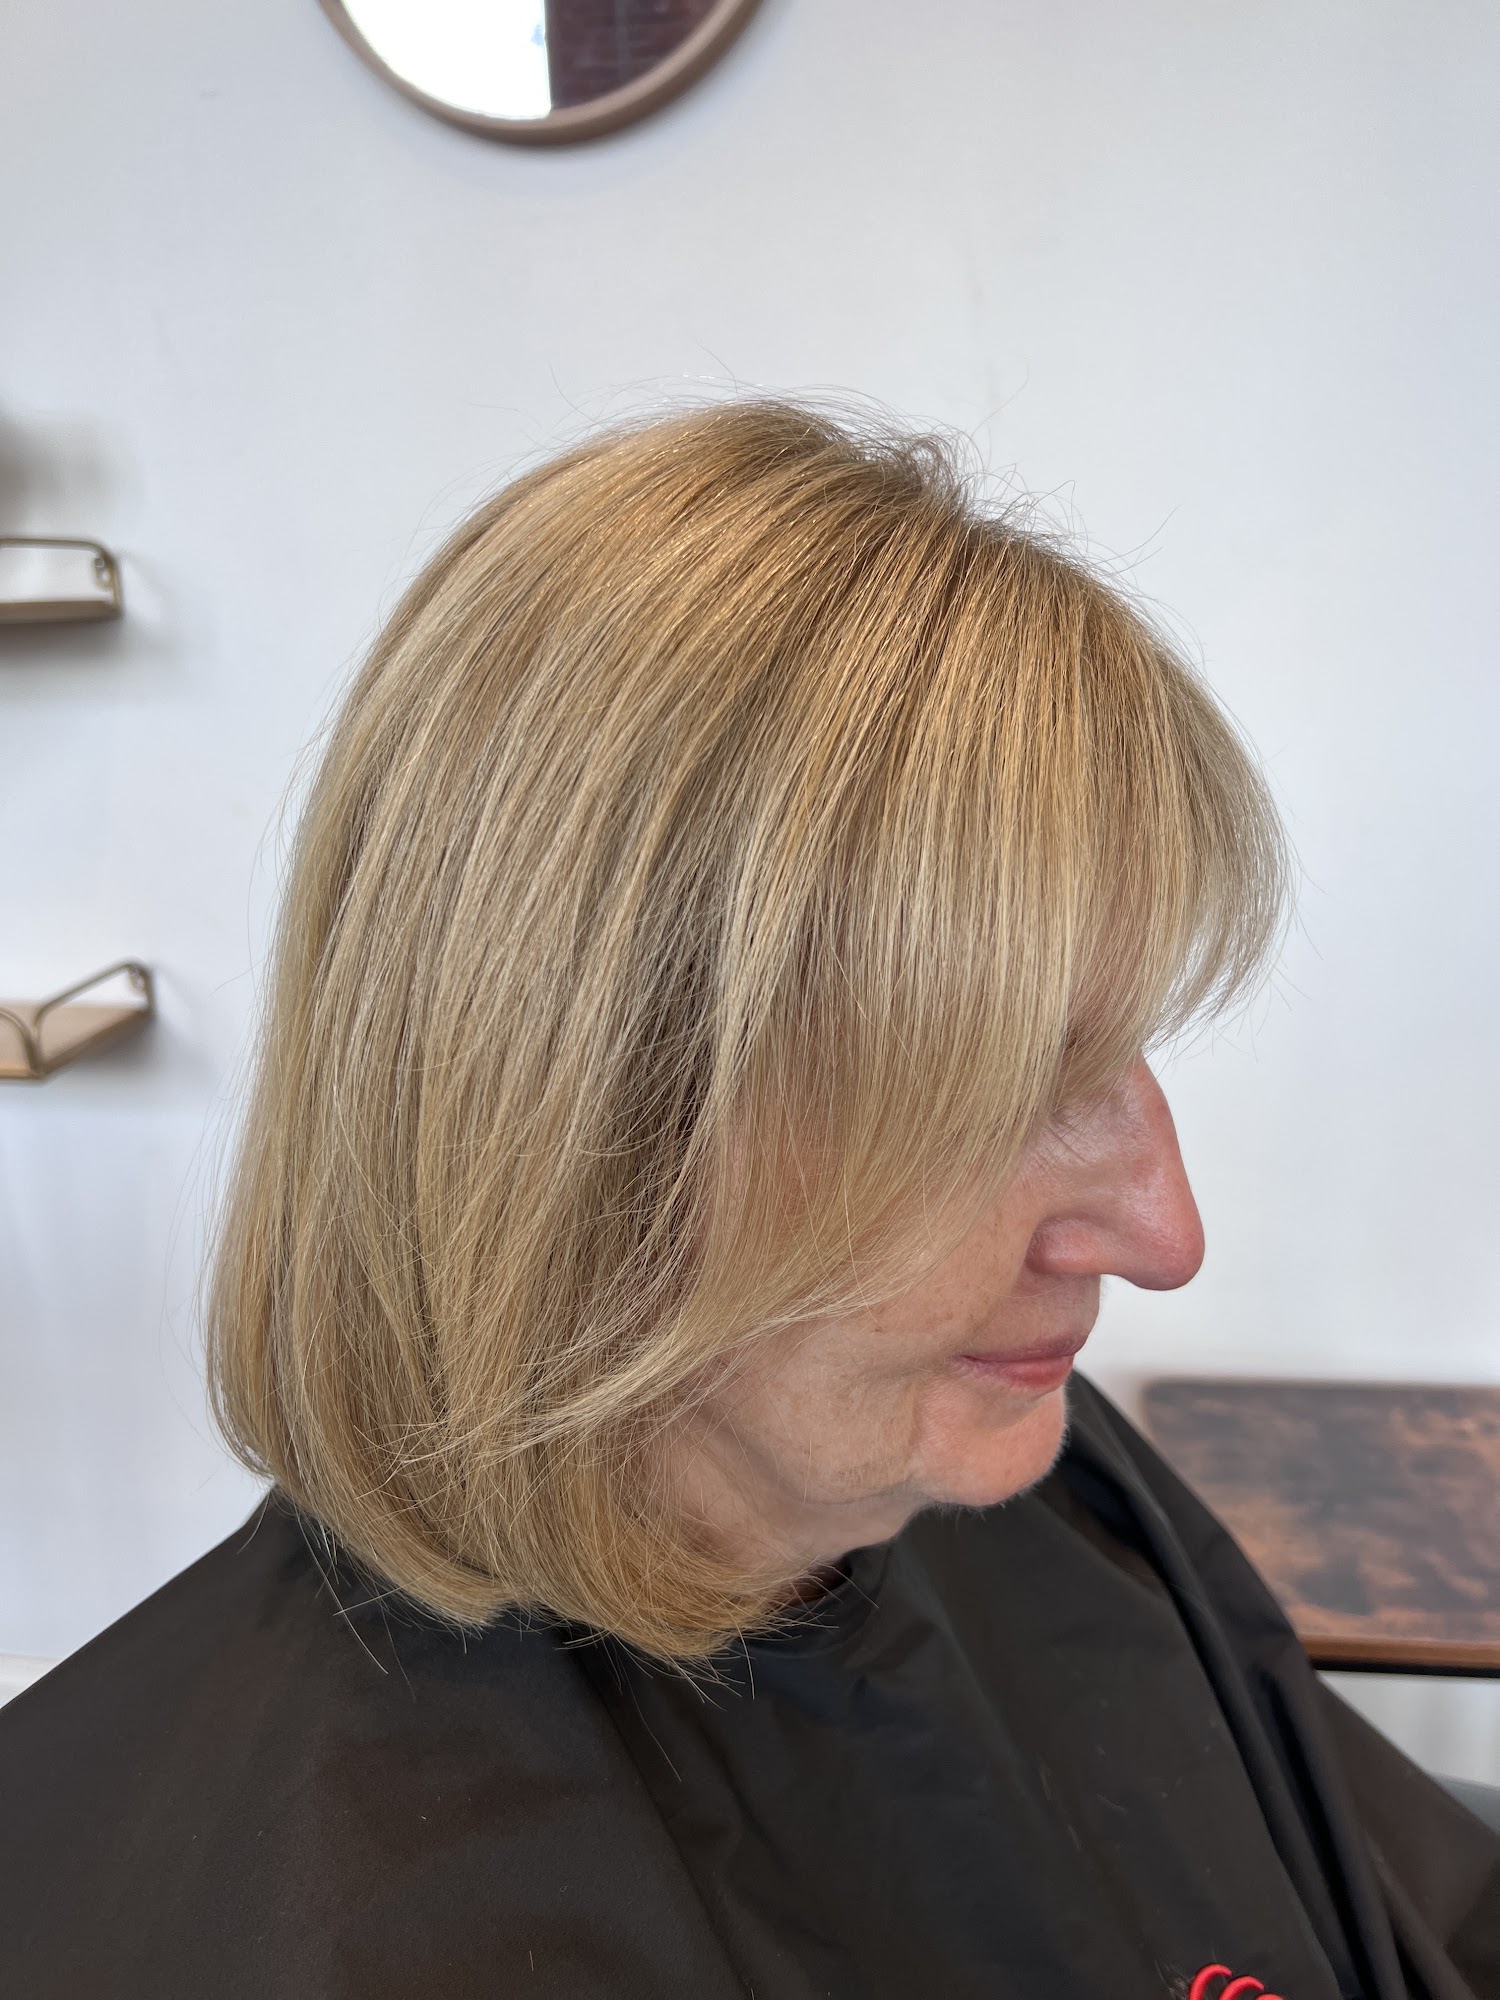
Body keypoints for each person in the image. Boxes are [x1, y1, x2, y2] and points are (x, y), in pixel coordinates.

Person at [0, 400, 1495, 1999]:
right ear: (573, 1139)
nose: (1164, 1237)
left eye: (1122, 1048)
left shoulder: (1032, 1482)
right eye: (995, 1085)